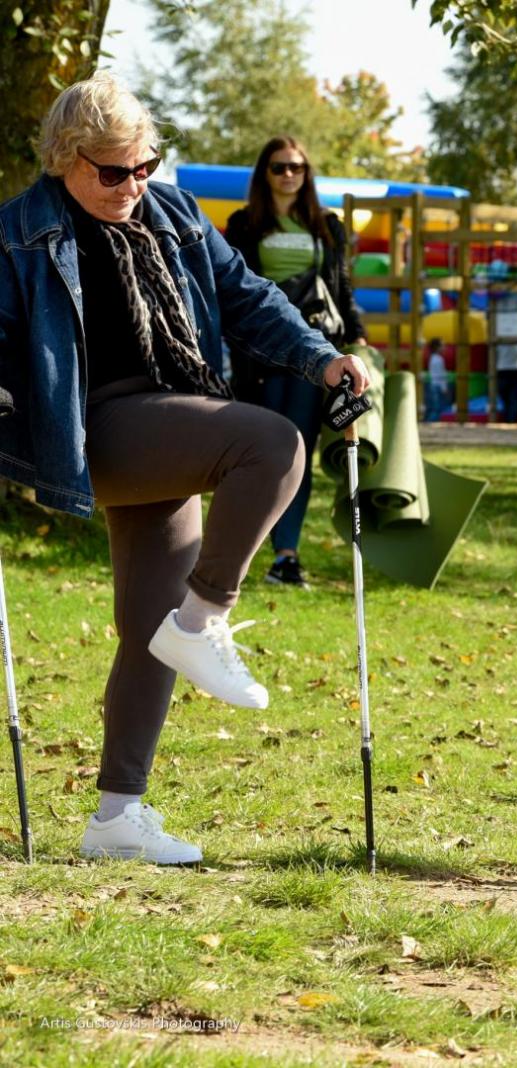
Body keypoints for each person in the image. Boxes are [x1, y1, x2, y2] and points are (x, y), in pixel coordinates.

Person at [0, 73, 370, 864]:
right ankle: (205, 622)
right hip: (94, 429)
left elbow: (247, 297)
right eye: (112, 171)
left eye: (144, 165)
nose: (133, 185)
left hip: (174, 416)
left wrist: (323, 357)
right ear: (65, 159)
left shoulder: (170, 211)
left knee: (149, 629)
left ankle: (114, 819)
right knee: (272, 445)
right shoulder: (20, 232)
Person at [224, 136, 366, 589]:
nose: (289, 175)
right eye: (279, 167)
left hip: (315, 351)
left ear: (307, 174)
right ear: (263, 173)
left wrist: (357, 335)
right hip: (261, 351)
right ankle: (242, 552)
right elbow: (233, 288)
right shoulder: (244, 223)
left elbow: (341, 287)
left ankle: (286, 555)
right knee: (259, 450)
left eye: (297, 167)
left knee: (296, 450)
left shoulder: (328, 225)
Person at [425, 338, 450, 421]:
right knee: (436, 408)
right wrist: (444, 388)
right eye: (442, 346)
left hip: (433, 384)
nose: (444, 348)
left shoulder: (432, 358)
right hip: (437, 385)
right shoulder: (438, 359)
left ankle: (428, 421)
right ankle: (432, 422)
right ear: (437, 347)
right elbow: (441, 375)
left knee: (432, 407)